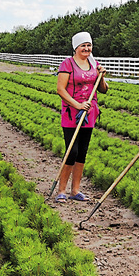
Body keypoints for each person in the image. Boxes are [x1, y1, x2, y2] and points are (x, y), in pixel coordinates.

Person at [54, 31, 108, 202]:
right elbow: (60, 89)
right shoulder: (67, 64)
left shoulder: (94, 65)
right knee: (72, 151)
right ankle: (61, 190)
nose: (87, 48)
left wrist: (102, 76)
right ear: (76, 47)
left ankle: (75, 190)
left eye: (89, 45)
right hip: (72, 113)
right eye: (83, 45)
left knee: (82, 152)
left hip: (89, 113)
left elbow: (103, 89)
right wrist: (77, 105)